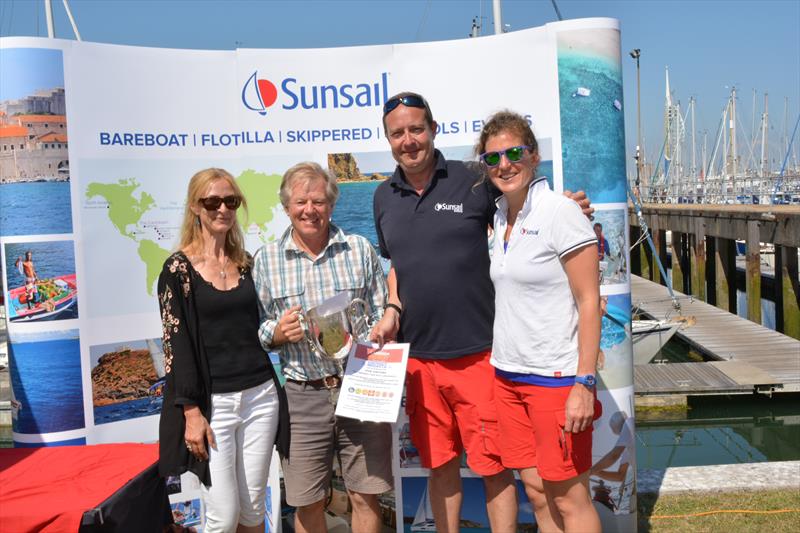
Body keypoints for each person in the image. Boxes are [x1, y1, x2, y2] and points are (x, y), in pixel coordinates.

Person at [371, 93, 593, 533]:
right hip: (419, 360)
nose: (409, 140)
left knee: (495, 469)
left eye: (417, 129)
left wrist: (569, 206)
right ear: (389, 139)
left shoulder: (474, 178)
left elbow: (525, 198)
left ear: (433, 129)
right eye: (398, 133)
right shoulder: (382, 197)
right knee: (440, 467)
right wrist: (393, 306)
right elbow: (397, 265)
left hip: (481, 356)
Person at [477, 110, 602, 533]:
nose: (504, 165)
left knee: (569, 499)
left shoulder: (560, 212)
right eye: (492, 158)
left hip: (555, 377)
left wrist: (584, 384)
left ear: (534, 156)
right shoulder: (499, 217)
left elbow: (589, 302)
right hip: (509, 375)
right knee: (536, 494)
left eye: (514, 152)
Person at [253, 162, 392, 533]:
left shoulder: (359, 249)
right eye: (300, 202)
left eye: (318, 201)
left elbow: (381, 312)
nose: (309, 210)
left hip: (360, 385)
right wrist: (278, 333)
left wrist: (378, 328)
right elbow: (260, 329)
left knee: (366, 494)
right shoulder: (266, 260)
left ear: (331, 205)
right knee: (307, 499)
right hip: (303, 394)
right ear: (286, 207)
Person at [157, 168, 288, 533]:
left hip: (262, 397)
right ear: (195, 207)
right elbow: (175, 345)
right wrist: (191, 413)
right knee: (223, 516)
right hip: (216, 407)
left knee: (251, 511)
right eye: (212, 201)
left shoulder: (246, 263)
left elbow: (262, 328)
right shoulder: (177, 270)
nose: (222, 209)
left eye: (230, 201)